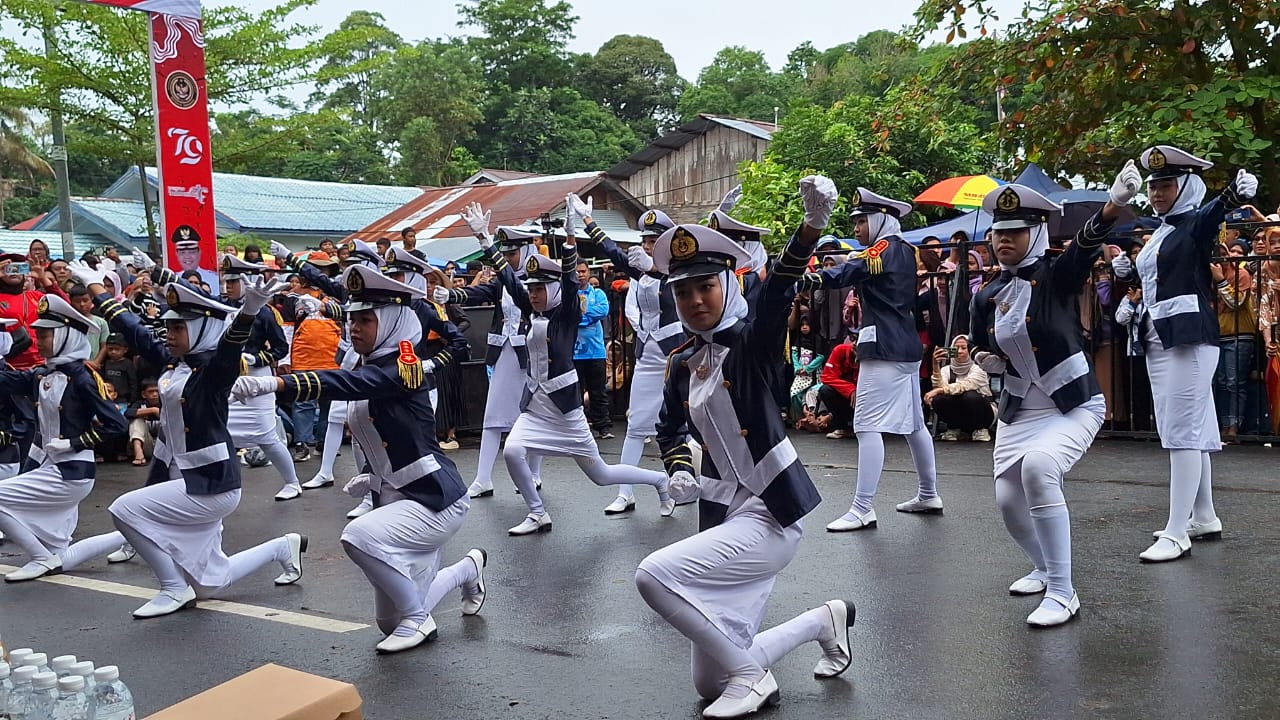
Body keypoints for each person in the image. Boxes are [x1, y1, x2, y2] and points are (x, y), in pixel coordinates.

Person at [636, 177, 855, 719]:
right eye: (682, 292)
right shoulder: (681, 360)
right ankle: (822, 621)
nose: (693, 300)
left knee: (653, 575)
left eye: (704, 287)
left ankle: (754, 677)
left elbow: (778, 292)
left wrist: (809, 230)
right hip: (721, 516)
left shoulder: (751, 345)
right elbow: (668, 427)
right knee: (710, 683)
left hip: (770, 516)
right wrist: (679, 466)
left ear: (728, 287)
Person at [233, 266, 487, 654]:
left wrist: (278, 382)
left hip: (435, 500)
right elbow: (376, 427)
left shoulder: (403, 366)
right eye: (352, 318)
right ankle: (466, 570)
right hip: (398, 497)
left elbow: (350, 385)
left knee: (358, 536)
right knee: (389, 621)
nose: (355, 327)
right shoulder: (368, 363)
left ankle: (420, 621)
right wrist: (374, 479)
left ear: (389, 322)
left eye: (365, 320)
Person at [71, 263, 306, 618]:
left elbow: (229, 351)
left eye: (179, 327)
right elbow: (134, 330)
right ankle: (281, 548)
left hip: (211, 485)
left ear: (201, 329)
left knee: (126, 510)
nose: (169, 333)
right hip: (183, 478)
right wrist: (97, 290)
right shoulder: (174, 361)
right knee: (214, 580)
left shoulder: (214, 371)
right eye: (167, 325)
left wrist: (249, 312)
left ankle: (173, 588)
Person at [970, 182, 1127, 626]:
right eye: (1000, 232)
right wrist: (986, 358)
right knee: (1007, 499)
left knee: (1039, 468)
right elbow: (984, 346)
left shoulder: (1058, 274)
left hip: (1073, 404)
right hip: (1020, 410)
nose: (1004, 240)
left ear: (1036, 233)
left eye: (1016, 232)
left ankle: (1063, 591)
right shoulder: (986, 294)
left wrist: (1114, 206)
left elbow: (1085, 244)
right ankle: (1043, 567)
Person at [472, 220, 675, 535]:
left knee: (602, 475)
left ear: (553, 289)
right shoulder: (531, 310)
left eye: (540, 288)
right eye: (532, 288)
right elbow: (509, 279)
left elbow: (568, 281)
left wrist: (569, 237)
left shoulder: (567, 314)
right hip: (535, 407)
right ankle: (537, 513)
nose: (534, 294)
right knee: (512, 451)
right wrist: (485, 239)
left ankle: (659, 480)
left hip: (565, 411)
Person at [1111, 146, 1256, 562]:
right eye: (1154, 185)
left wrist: (1231, 195)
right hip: (1159, 338)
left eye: (1166, 184)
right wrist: (1129, 267)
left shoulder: (1193, 222)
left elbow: (1211, 217)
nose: (1157, 192)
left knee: (1182, 434)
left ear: (1187, 186)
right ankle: (1204, 516)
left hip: (1189, 339)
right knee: (1189, 429)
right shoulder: (1162, 230)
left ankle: (1177, 532)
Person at [811, 187, 940, 532]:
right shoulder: (902, 251)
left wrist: (814, 277)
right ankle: (929, 493)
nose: (856, 229)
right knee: (914, 426)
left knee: (866, 426)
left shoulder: (887, 249)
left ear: (881, 219)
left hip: (884, 349)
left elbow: (852, 270)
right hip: (901, 346)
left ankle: (862, 508)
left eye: (861, 221)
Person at [569, 199, 685, 514]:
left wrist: (658, 271)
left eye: (653, 240)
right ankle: (625, 492)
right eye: (644, 240)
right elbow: (612, 252)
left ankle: (688, 484)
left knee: (687, 423)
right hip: (648, 353)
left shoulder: (680, 267)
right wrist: (589, 221)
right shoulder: (638, 268)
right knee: (635, 425)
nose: (647, 245)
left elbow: (682, 287)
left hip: (676, 354)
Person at [0, 301, 126, 582]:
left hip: (72, 473)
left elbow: (117, 425)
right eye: (39, 335)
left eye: (45, 335)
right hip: (50, 468)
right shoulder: (43, 373)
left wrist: (74, 443)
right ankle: (134, 533)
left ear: (65, 336)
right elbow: (7, 381)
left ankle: (40, 558)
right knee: (62, 553)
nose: (39, 341)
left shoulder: (84, 378)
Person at [443, 216, 544, 499]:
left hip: (531, 352)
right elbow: (481, 292)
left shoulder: (541, 278)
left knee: (532, 414)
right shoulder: (503, 278)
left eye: (512, 253)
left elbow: (521, 295)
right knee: (492, 417)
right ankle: (483, 478)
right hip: (505, 352)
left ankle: (534, 475)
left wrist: (486, 243)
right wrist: (450, 295)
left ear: (525, 251)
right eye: (506, 254)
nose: (509, 258)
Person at [571, 260, 614, 439]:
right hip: (573, 351)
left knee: (598, 391)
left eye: (582, 271)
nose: (580, 274)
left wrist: (582, 314)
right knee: (575, 392)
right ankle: (577, 426)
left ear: (588, 272)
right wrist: (587, 315)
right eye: (577, 272)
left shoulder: (599, 293)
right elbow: (568, 314)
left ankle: (603, 426)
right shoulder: (568, 294)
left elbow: (603, 311)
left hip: (595, 351)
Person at [925, 336, 994, 441]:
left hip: (984, 414)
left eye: (964, 348)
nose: (959, 351)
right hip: (960, 413)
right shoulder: (946, 370)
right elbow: (939, 388)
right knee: (939, 399)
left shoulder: (980, 368)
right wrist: (935, 365)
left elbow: (965, 385)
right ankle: (954, 427)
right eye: (956, 348)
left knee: (970, 396)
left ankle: (981, 429)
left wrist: (940, 390)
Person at [819, 334, 858, 439]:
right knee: (824, 390)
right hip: (845, 396)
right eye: (854, 340)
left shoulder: (871, 358)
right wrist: (850, 389)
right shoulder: (839, 350)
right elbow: (826, 377)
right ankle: (841, 427)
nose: (855, 344)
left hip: (862, 398)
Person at [126, 379, 161, 466]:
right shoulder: (140, 404)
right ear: (143, 394)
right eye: (151, 392)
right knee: (137, 420)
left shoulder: (166, 404)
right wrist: (153, 410)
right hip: (145, 445)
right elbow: (127, 413)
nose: (155, 394)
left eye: (157, 391)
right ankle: (138, 453)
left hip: (163, 447)